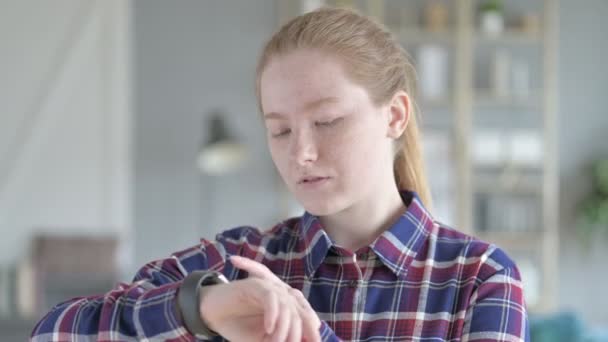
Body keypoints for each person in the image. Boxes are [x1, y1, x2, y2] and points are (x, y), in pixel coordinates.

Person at [31, 6, 528, 342]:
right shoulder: (237, 263)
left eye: (327, 122)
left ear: (394, 116)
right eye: (281, 130)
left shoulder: (480, 278)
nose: (302, 153)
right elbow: (53, 331)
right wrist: (199, 311)